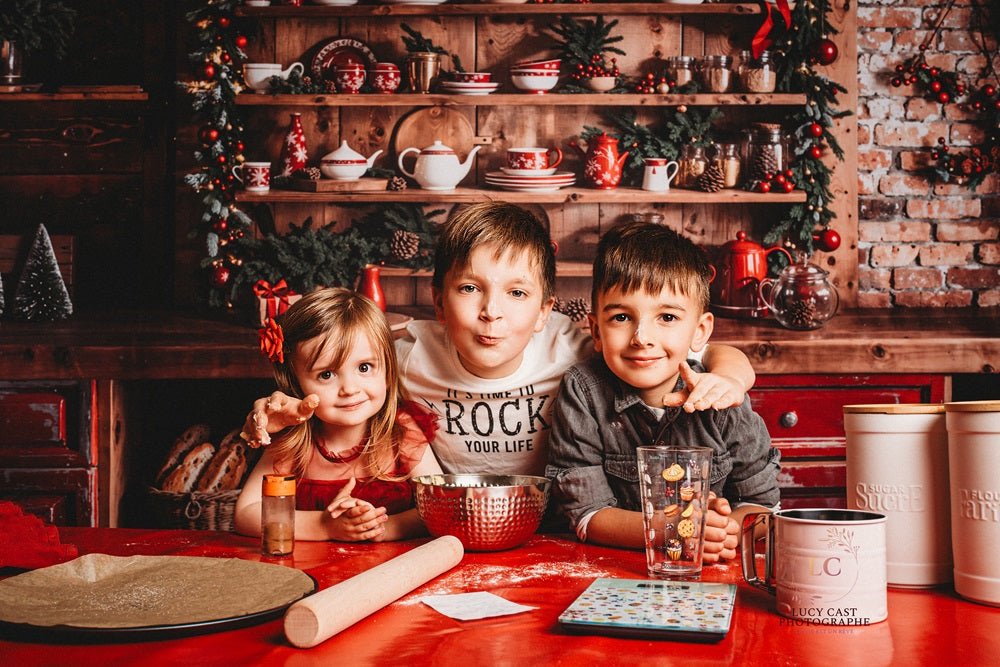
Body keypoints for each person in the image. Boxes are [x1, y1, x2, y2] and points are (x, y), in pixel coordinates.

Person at [240, 202, 756, 480]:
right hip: (450, 523)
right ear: (439, 304)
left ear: (543, 312)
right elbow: (332, 378)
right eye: (470, 289)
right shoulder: (405, 355)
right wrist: (276, 408)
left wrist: (730, 377)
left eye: (516, 293)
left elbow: (702, 352)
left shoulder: (573, 346)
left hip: (561, 522)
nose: (492, 312)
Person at [545, 221, 780, 562]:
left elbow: (764, 507)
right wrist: (673, 529)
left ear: (700, 332)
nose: (642, 337)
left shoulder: (723, 398)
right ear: (595, 331)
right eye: (621, 318)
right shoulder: (583, 392)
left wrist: (723, 532)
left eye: (667, 317)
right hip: (613, 573)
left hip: (709, 578)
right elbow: (586, 514)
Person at [234, 287, 443, 542]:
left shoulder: (402, 432)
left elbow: (441, 505)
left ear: (388, 371)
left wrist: (381, 528)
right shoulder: (295, 441)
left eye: (364, 367)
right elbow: (246, 513)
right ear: (296, 383)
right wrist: (324, 526)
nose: (350, 389)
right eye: (326, 375)